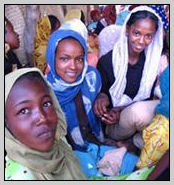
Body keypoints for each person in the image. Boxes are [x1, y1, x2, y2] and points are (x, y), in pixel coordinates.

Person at [45, 19, 138, 178]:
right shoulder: (45, 92)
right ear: (52, 59)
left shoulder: (91, 78)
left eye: (79, 59)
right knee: (90, 173)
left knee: (133, 161)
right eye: (64, 59)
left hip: (98, 143)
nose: (73, 66)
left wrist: (109, 113)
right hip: (71, 152)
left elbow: (98, 111)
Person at [94, 6, 164, 149]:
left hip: (140, 122)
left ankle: (133, 143)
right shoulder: (107, 62)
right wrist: (104, 102)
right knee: (138, 114)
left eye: (148, 36)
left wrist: (121, 109)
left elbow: (151, 99)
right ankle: (132, 142)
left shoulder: (152, 63)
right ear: (127, 30)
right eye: (137, 33)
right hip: (117, 126)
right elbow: (103, 97)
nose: (141, 41)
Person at [5, 68, 86, 180]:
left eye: (46, 104)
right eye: (23, 111)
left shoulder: (59, 143)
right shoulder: (20, 177)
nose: (42, 118)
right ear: (6, 123)